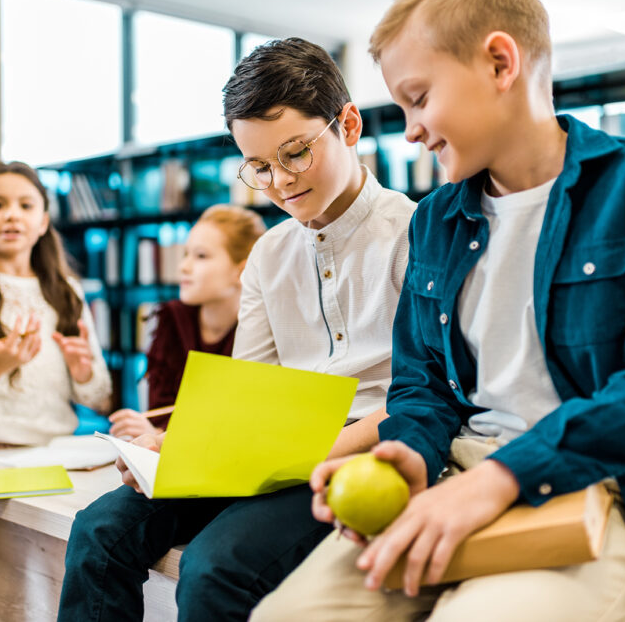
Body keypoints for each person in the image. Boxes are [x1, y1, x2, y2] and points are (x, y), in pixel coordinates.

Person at [253, 0, 625, 622]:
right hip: (458, 475)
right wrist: (408, 452)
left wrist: (501, 479)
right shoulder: (436, 219)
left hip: (605, 485)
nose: (409, 129)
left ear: (499, 63)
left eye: (419, 97)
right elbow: (423, 386)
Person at [58, 38, 417, 622]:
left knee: (215, 566)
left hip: (363, 453)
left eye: (296, 153)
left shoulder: (415, 235)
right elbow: (247, 391)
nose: (279, 182)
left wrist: (310, 453)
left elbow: (424, 395)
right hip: (275, 447)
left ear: (348, 125)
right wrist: (173, 450)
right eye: (259, 167)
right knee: (98, 531)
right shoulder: (269, 254)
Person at [0, 161, 111, 454]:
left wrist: (83, 373)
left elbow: (100, 397)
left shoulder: (67, 290)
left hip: (60, 454)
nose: (12, 215)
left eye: (26, 206)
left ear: (43, 222)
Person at [107, 204, 267, 439]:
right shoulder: (170, 317)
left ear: (241, 271)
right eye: (186, 254)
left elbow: (249, 425)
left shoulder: (264, 329)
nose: (183, 267)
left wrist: (160, 434)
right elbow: (159, 411)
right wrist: (156, 432)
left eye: (201, 256)